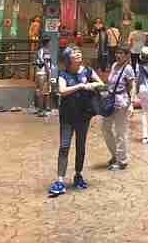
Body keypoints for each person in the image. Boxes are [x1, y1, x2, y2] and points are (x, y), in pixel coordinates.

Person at [48, 48, 104, 197]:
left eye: (79, 52)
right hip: (67, 116)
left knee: (81, 146)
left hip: (83, 115)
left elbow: (101, 83)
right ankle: (60, 180)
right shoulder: (63, 74)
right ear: (68, 58)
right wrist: (80, 86)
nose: (78, 54)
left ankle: (78, 175)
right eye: (74, 53)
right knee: (64, 146)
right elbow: (62, 90)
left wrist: (93, 85)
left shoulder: (88, 71)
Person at [102, 45, 135, 170]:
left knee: (120, 132)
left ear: (127, 55)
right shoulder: (114, 66)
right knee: (105, 128)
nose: (118, 55)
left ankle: (122, 160)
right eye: (117, 53)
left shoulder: (128, 69)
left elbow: (132, 86)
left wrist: (131, 103)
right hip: (110, 101)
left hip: (122, 103)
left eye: (121, 53)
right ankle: (115, 155)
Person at [35, 36, 52, 116]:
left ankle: (39, 109)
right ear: (48, 42)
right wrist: (48, 72)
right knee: (44, 92)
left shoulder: (39, 51)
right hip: (44, 73)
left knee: (39, 91)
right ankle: (43, 110)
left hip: (38, 73)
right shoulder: (46, 51)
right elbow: (46, 62)